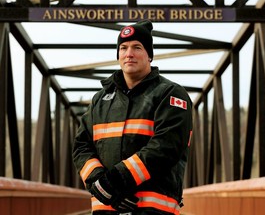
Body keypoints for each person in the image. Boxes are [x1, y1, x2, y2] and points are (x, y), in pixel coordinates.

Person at [72, 19, 193, 215]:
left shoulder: (171, 94)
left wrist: (115, 182)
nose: (129, 54)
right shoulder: (100, 100)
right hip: (107, 209)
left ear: (150, 56)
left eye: (137, 47)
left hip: (153, 209)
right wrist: (99, 182)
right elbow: (81, 147)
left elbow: (167, 146)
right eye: (123, 48)